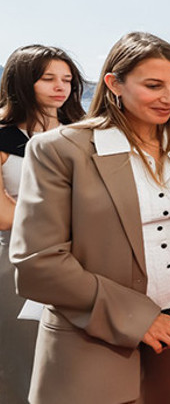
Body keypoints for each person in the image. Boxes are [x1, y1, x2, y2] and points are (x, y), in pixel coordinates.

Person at [10, 32, 170, 403]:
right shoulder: (59, 150)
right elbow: (37, 262)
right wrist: (140, 318)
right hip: (88, 344)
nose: (169, 98)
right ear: (113, 84)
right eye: (153, 85)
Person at [0, 45, 85, 404]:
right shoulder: (3, 136)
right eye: (48, 78)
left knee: (77, 360)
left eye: (67, 79)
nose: (60, 87)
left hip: (81, 258)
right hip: (16, 261)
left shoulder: (82, 134)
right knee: (22, 358)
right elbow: (3, 215)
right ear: (22, 82)